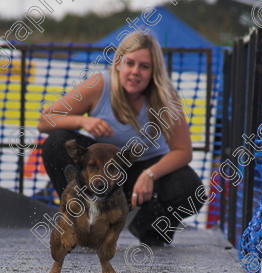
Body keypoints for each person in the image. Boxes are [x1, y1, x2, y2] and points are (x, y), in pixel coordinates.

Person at [38, 31, 206, 246]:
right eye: (130, 63)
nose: (135, 72)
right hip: (102, 170)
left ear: (154, 71)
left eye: (144, 66)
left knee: (191, 189)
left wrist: (150, 174)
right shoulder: (100, 84)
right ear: (118, 63)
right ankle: (79, 220)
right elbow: (45, 121)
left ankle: (148, 227)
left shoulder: (166, 96)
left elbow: (183, 151)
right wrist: (83, 121)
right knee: (56, 142)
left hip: (140, 174)